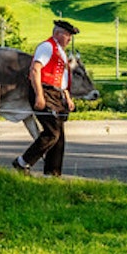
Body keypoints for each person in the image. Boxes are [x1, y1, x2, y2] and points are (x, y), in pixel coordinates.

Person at [13, 19, 80, 177]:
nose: (69, 38)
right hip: (44, 90)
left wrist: (67, 98)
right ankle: (22, 162)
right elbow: (36, 70)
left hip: (56, 94)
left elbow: (62, 78)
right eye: (67, 34)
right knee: (52, 132)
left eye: (70, 35)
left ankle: (52, 174)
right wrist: (39, 95)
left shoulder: (60, 52)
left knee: (59, 137)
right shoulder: (46, 47)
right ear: (57, 33)